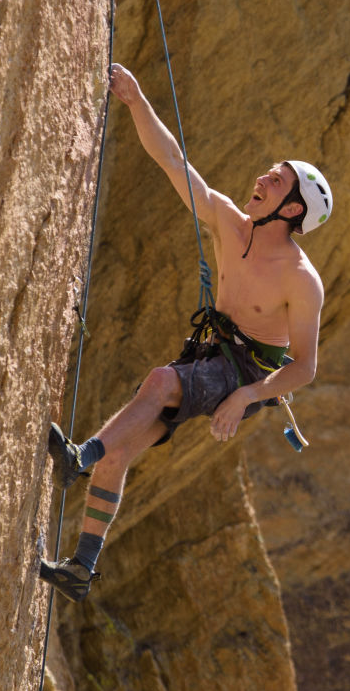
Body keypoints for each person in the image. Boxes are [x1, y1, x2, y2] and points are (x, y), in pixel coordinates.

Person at [38, 64, 329, 602]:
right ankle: (81, 567)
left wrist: (245, 396)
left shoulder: (300, 279)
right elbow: (175, 161)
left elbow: (305, 366)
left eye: (277, 181)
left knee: (159, 383)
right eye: (269, 171)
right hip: (215, 349)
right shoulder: (229, 221)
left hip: (247, 369)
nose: (262, 178)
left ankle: (81, 458)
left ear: (292, 211)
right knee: (125, 451)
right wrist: (135, 100)